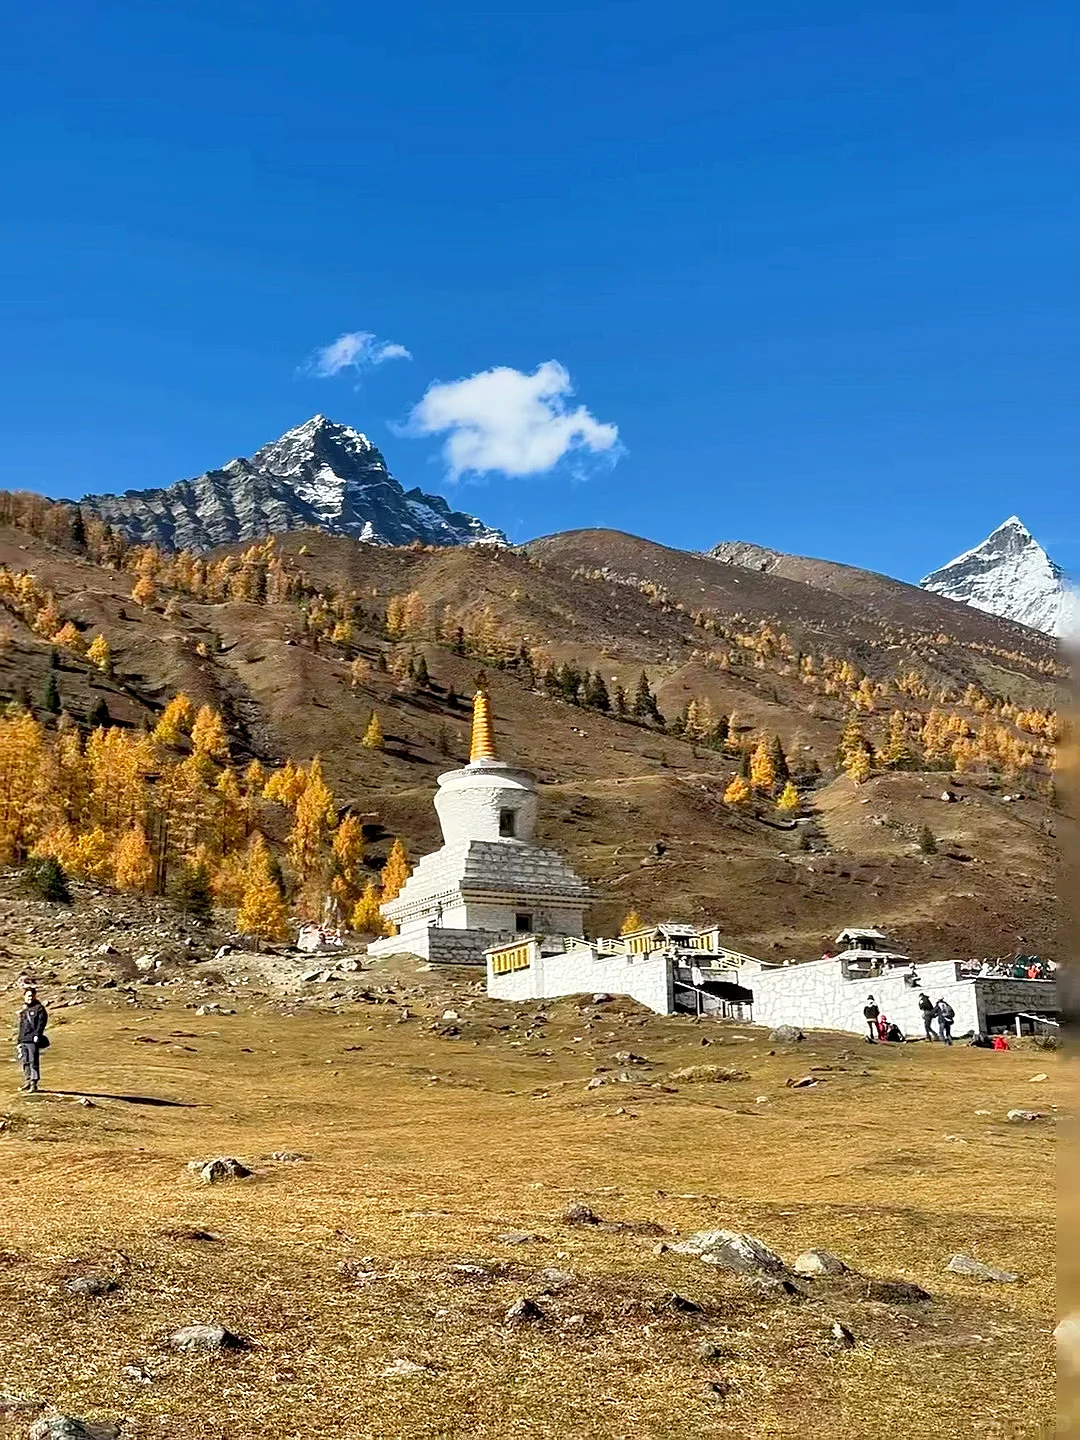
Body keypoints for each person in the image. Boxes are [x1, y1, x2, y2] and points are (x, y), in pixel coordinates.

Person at [16, 987, 49, 1093]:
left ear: (35, 996)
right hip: (24, 1039)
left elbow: (41, 1023)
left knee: (33, 1061)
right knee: (25, 1061)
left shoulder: (39, 1009)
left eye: (32, 996)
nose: (30, 998)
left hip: (33, 1040)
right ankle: (28, 1080)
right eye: (28, 996)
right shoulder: (24, 1010)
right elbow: (21, 1027)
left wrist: (37, 1035)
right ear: (24, 997)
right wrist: (19, 1041)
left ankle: (34, 1084)